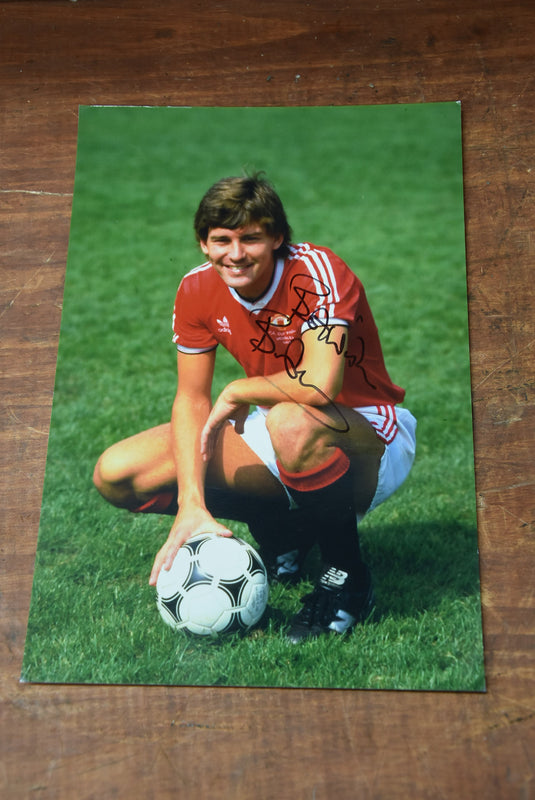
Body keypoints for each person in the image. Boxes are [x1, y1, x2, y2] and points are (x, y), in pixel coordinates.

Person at [93, 173, 416, 643]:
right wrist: (191, 504)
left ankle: (348, 578)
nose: (236, 253)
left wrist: (240, 391)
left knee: (291, 422)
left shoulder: (315, 270)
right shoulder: (196, 289)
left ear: (277, 237)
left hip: (370, 433)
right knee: (118, 472)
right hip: (283, 426)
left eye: (251, 238)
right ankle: (286, 531)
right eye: (221, 239)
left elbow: (322, 386)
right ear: (204, 243)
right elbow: (190, 399)